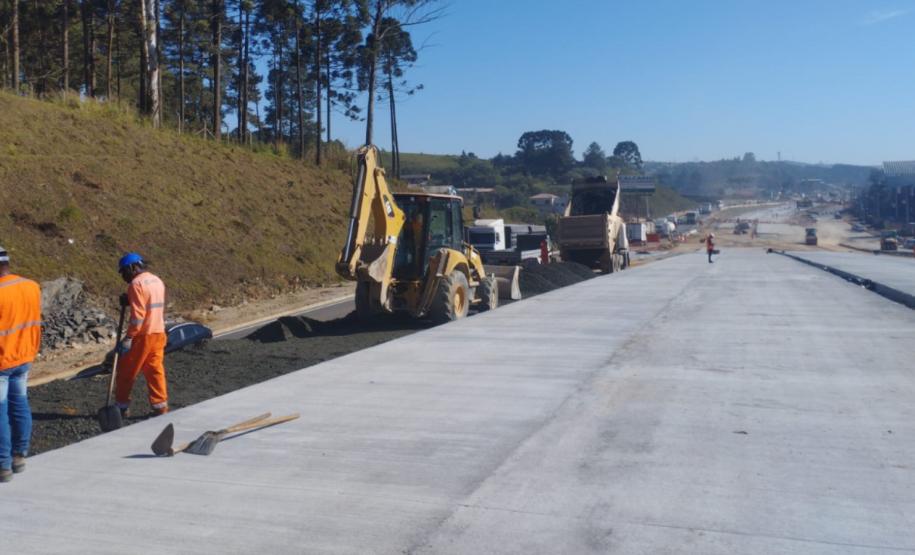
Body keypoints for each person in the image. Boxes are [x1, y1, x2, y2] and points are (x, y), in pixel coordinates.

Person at [0, 245, 40, 483]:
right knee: (20, 405)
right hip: (25, 357)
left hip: (2, 361)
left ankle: (3, 466)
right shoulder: (31, 286)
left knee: (0, 411)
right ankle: (19, 457)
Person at [115, 253, 169, 417]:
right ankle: (160, 407)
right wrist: (130, 301)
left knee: (126, 371)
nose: (124, 277)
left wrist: (128, 338)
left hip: (143, 336)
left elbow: (138, 318)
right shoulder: (156, 280)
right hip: (158, 332)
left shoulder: (136, 284)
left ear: (132, 267)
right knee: (155, 371)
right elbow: (150, 305)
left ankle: (122, 407)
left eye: (124, 272)